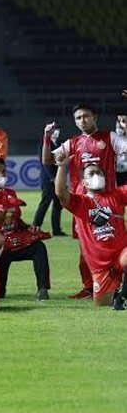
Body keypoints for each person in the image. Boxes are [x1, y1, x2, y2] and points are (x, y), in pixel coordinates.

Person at [42, 103, 127, 299]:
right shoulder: (72, 143)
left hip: (109, 200)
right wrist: (47, 138)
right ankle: (90, 286)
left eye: (86, 116)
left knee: (115, 239)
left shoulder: (110, 138)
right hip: (82, 203)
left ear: (95, 117)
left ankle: (118, 282)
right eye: (78, 118)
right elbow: (48, 160)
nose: (83, 121)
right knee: (85, 247)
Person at [55, 155, 127, 309]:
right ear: (84, 182)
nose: (97, 176)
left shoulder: (117, 195)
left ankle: (124, 295)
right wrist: (61, 167)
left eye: (99, 173)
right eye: (92, 174)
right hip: (100, 267)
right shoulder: (80, 202)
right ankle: (117, 294)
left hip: (121, 256)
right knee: (102, 307)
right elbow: (61, 193)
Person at [0, 158, 51, 300]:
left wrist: (27, 227)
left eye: (4, 172)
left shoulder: (10, 192)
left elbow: (15, 218)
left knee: (39, 247)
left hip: (15, 240)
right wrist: (7, 206)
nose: (2, 175)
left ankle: (43, 289)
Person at [33, 123, 65, 236]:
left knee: (58, 204)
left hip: (57, 178)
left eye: (58, 129)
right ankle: (35, 228)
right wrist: (52, 177)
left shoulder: (58, 144)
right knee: (45, 203)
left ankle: (57, 230)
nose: (57, 132)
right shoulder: (44, 143)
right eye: (54, 129)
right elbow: (45, 163)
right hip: (49, 179)